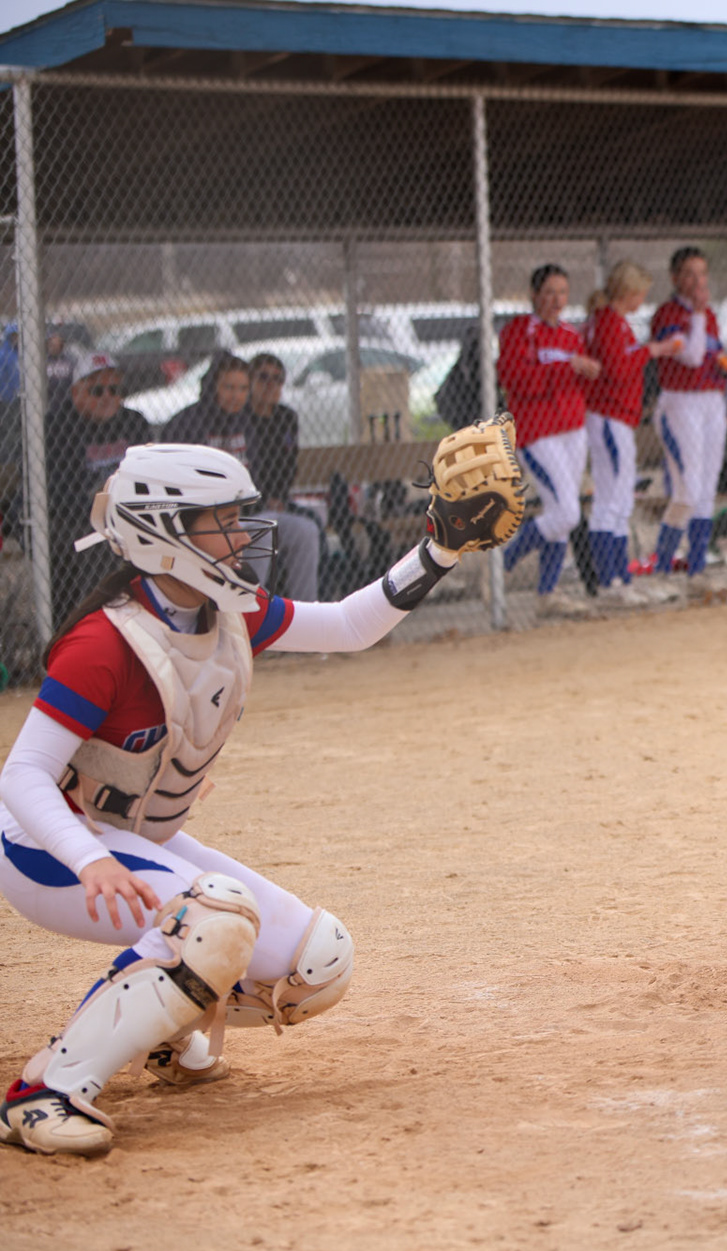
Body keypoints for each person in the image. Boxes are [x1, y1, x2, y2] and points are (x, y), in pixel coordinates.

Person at [0, 440, 483, 1155]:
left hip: (129, 838)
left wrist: (438, 551)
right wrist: (88, 859)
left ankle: (158, 1031)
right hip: (44, 849)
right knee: (214, 917)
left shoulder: (224, 609)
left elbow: (349, 626)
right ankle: (45, 1091)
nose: (240, 535)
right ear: (162, 534)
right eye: (220, 521)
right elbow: (21, 776)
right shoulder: (104, 642)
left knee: (317, 962)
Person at [494, 264, 602, 617]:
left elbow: (579, 383)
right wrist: (565, 368)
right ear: (534, 294)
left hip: (572, 430)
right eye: (550, 292)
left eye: (562, 292)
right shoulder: (519, 332)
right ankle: (500, 565)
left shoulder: (571, 335)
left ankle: (547, 594)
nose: (557, 300)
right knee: (568, 513)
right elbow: (516, 380)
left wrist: (585, 372)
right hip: (537, 433)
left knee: (562, 514)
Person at [584, 260, 680, 606]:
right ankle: (609, 582)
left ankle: (620, 578)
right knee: (613, 499)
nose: (642, 299)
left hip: (616, 417)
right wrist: (651, 351)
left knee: (620, 499)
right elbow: (617, 369)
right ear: (629, 292)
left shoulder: (612, 321)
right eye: (640, 293)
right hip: (609, 416)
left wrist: (649, 350)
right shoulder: (608, 321)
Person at [647, 247, 727, 592]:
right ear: (675, 278)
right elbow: (693, 357)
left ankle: (697, 570)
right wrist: (697, 315)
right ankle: (662, 571)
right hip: (680, 403)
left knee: (707, 489)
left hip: (711, 401)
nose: (698, 281)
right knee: (688, 489)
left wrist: (724, 364)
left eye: (702, 273)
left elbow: (710, 354)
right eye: (689, 274)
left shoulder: (709, 315)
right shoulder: (667, 315)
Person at [45, 352, 151, 622]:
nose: (107, 396)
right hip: (77, 520)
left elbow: (150, 480)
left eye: (114, 389)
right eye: (96, 390)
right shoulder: (58, 426)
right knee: (95, 544)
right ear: (76, 392)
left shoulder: (134, 422)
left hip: (127, 514)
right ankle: (89, 621)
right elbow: (60, 495)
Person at [241, 353, 321, 603]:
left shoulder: (286, 418)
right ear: (250, 381)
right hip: (251, 506)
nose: (271, 385)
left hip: (279, 501)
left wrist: (279, 498)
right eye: (263, 377)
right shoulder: (240, 418)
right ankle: (256, 609)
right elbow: (250, 471)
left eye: (277, 379)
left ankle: (308, 609)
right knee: (265, 529)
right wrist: (266, 500)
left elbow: (287, 467)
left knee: (313, 525)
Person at [162, 352, 253, 455]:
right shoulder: (186, 424)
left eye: (243, 388)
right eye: (229, 387)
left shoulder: (250, 421)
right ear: (213, 387)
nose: (236, 396)